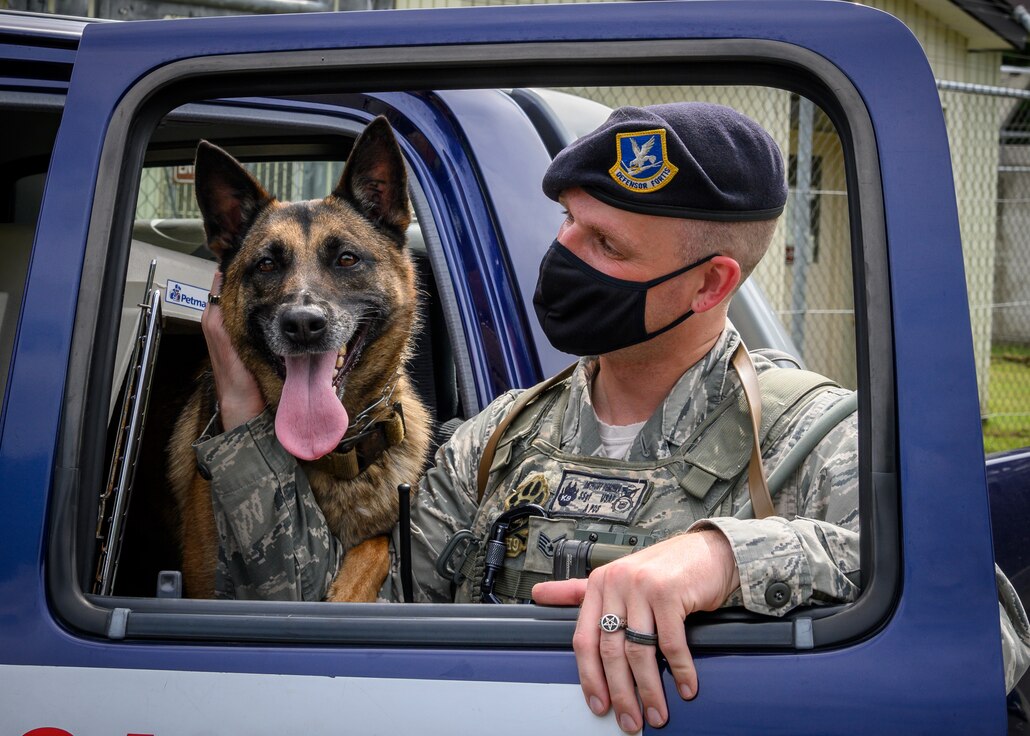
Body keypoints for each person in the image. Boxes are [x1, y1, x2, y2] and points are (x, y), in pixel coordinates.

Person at [196, 103, 1030, 733]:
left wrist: (721, 560)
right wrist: (241, 414)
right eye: (570, 226)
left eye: (608, 247)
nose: (565, 258)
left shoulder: (814, 437)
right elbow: (322, 641)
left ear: (708, 285)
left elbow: (982, 644)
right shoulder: (496, 442)